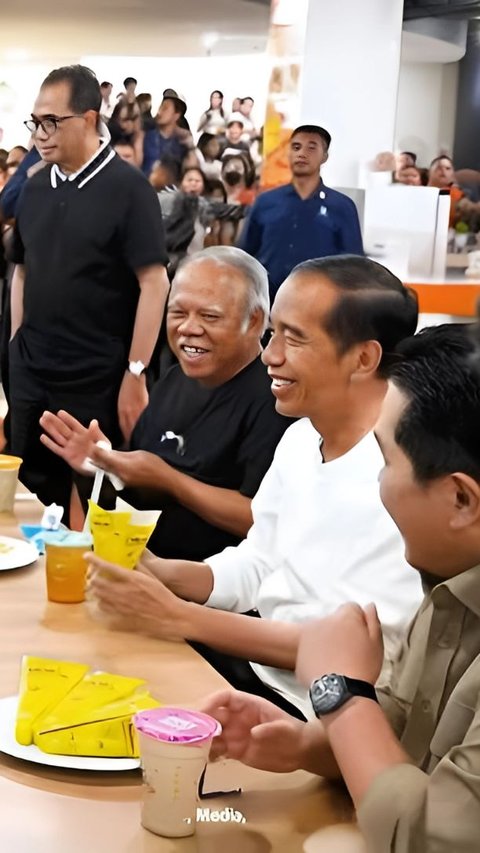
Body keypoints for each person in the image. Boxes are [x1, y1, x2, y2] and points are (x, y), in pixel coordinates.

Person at [86, 255, 422, 719]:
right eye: (275, 333)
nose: (270, 355)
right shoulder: (302, 437)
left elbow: (365, 651)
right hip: (255, 678)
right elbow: (259, 563)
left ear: (364, 358)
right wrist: (161, 573)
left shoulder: (406, 477)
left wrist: (179, 615)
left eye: (294, 338)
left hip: (328, 717)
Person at [200, 322, 480, 853]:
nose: (272, 356)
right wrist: (309, 744)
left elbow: (431, 839)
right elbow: (400, 736)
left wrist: (340, 692)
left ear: (461, 500)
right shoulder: (449, 586)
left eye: (386, 462)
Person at [40, 247, 292, 560]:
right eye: (178, 313)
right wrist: (107, 463)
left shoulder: (278, 399)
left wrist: (170, 480)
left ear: (255, 321)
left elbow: (267, 519)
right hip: (141, 565)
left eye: (209, 316)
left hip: (213, 591)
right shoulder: (175, 379)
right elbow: (145, 478)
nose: (188, 328)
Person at [9, 64, 169, 519]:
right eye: (35, 122)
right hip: (31, 367)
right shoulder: (35, 185)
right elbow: (22, 270)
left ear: (89, 118)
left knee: (90, 494)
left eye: (52, 122)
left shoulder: (129, 189)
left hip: (94, 373)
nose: (41, 133)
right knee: (27, 489)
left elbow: (154, 283)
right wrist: (17, 344)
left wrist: (136, 372)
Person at [239, 124, 364, 303]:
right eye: (296, 147)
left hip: (318, 304)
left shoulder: (342, 206)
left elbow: (353, 264)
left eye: (311, 148)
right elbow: (245, 254)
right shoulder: (266, 202)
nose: (302, 153)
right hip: (267, 301)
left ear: (325, 157)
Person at [142, 90, 193, 181]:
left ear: (176, 115)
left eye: (165, 108)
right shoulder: (146, 136)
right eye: (160, 107)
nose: (160, 112)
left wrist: (191, 148)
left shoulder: (182, 144)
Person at [428, 154, 464, 227]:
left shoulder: (460, 196)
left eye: (447, 168)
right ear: (429, 172)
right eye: (439, 167)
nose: (443, 170)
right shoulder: (419, 192)